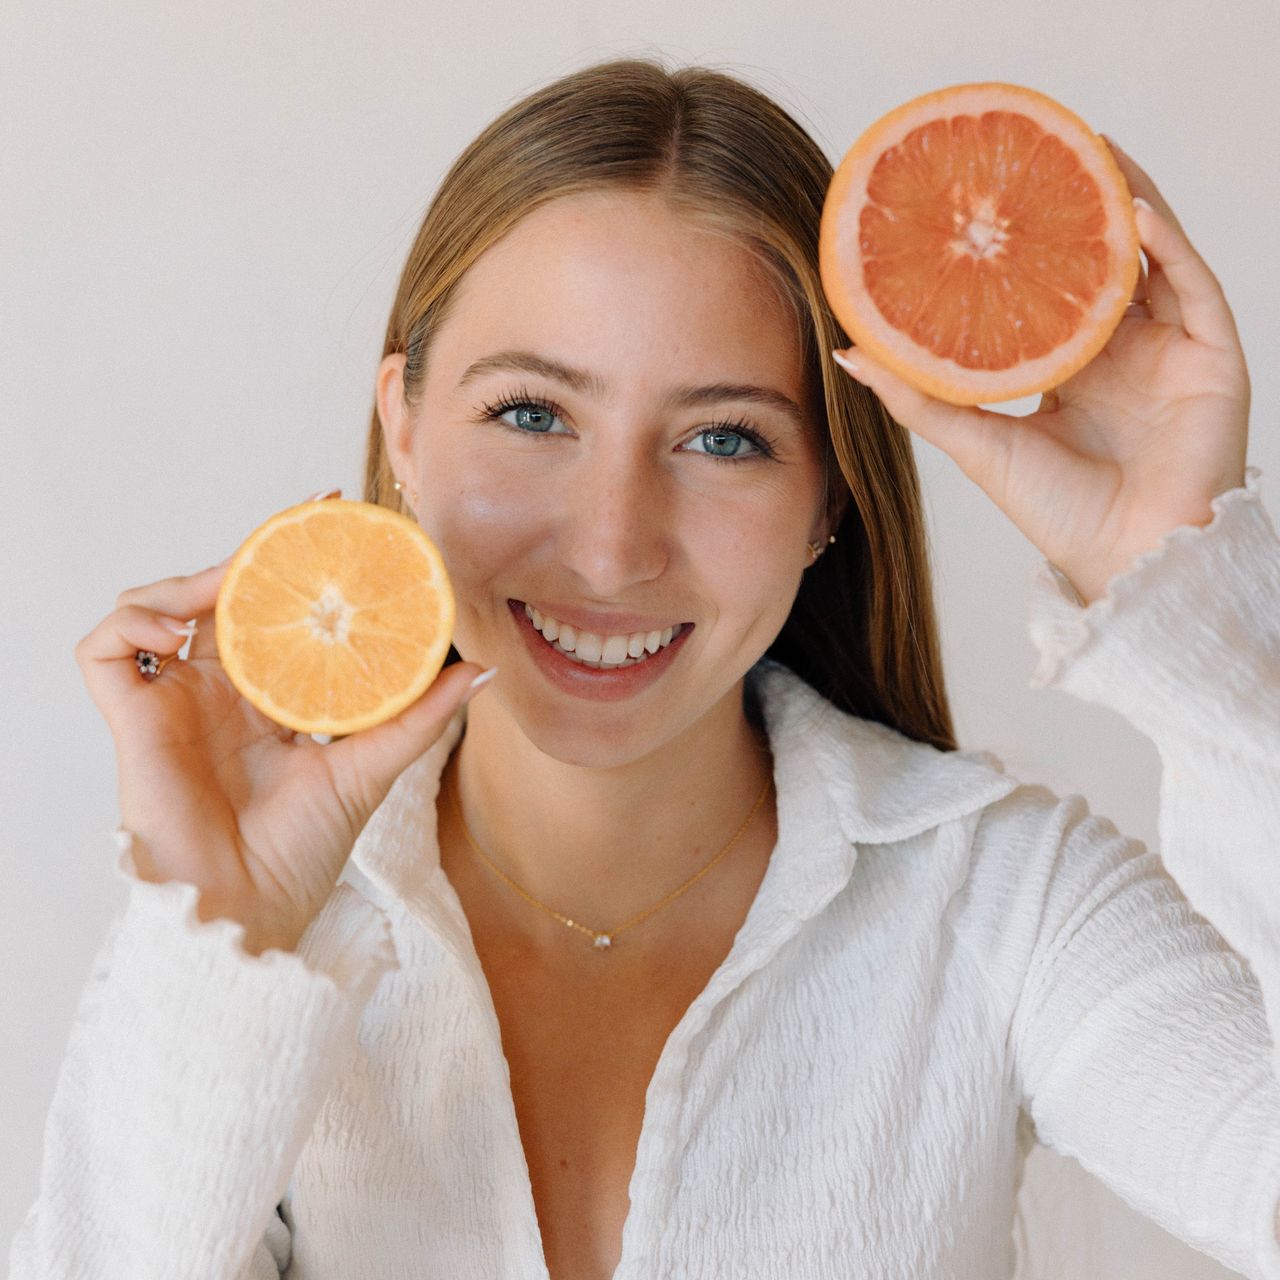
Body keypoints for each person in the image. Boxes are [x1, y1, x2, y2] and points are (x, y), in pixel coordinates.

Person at [10, 55, 1279, 1280]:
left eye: (723, 438)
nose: (611, 548)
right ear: (403, 425)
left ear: (828, 499)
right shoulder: (273, 920)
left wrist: (1187, 609)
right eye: (530, 414)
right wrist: (218, 939)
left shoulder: (1005, 899)